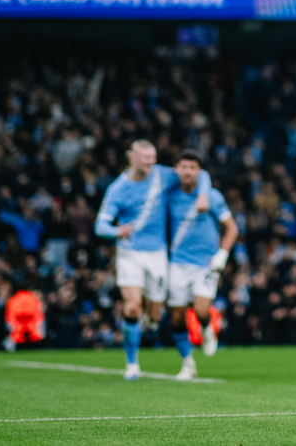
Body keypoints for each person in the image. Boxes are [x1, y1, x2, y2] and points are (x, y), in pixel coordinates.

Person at [95, 140, 212, 380]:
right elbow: (100, 225)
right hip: (129, 253)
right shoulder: (118, 188)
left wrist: (203, 195)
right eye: (145, 158)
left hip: (157, 254)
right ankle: (132, 364)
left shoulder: (162, 175)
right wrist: (116, 231)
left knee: (156, 316)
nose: (150, 162)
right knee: (132, 307)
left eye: (153, 158)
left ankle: (151, 324)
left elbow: (202, 174)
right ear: (132, 157)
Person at [166, 150, 238, 380]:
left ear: (199, 171)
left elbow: (232, 228)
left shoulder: (212, 197)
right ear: (177, 169)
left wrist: (222, 255)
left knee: (200, 310)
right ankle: (187, 363)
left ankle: (207, 328)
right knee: (177, 317)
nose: (188, 171)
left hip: (205, 264)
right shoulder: (170, 195)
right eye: (184, 166)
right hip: (177, 263)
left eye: (192, 167)